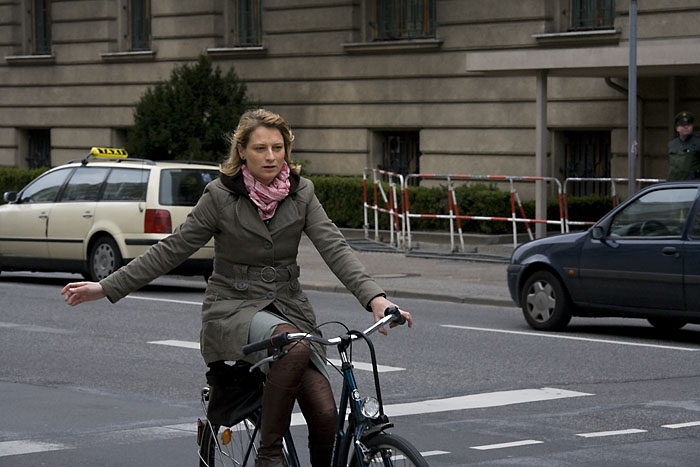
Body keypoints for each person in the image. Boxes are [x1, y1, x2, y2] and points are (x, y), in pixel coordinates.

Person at [61, 108, 412, 467]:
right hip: (234, 308)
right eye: (261, 148)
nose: (271, 156)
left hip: (289, 308)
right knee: (294, 348)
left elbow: (335, 247)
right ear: (242, 151)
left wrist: (376, 298)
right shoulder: (220, 196)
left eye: (278, 147)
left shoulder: (301, 192)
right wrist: (105, 287)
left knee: (324, 414)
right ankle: (269, 455)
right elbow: (172, 248)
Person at [667, 110, 700, 181]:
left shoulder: (698, 143)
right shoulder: (672, 144)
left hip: (692, 185)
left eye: (689, 124)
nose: (686, 127)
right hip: (674, 184)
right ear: (677, 128)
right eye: (683, 125)